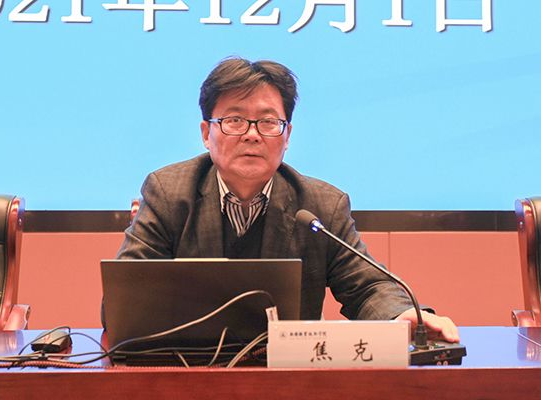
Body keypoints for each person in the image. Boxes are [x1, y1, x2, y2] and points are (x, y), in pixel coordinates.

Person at [117, 57, 459, 343]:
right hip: (188, 371)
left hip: (288, 375)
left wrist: (402, 315)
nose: (252, 134)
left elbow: (368, 286)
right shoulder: (169, 193)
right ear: (207, 133)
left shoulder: (320, 206)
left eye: (268, 122)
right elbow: (125, 302)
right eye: (235, 120)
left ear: (287, 135)